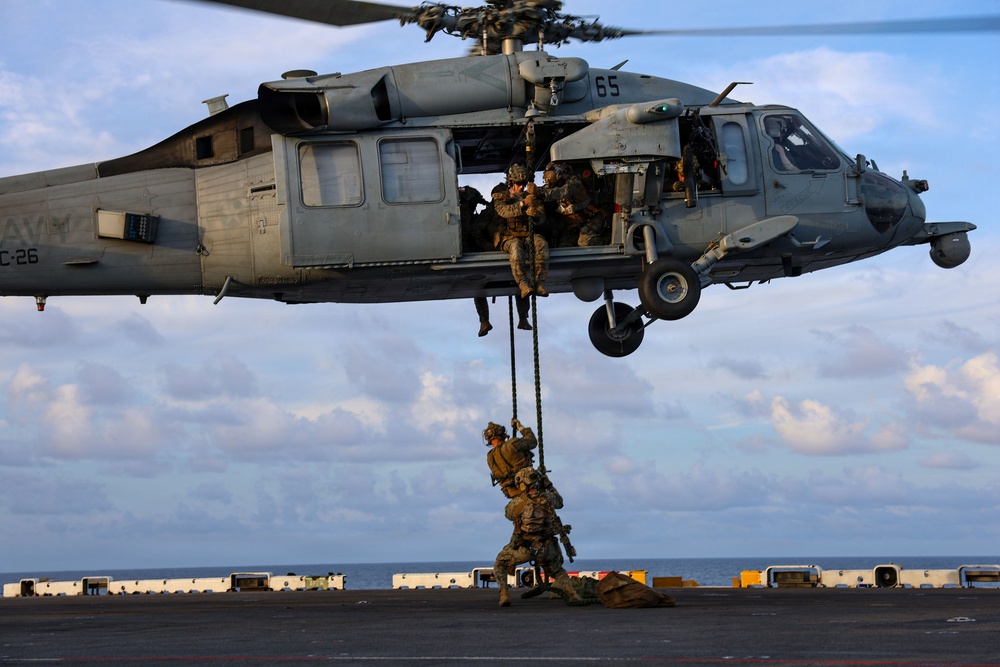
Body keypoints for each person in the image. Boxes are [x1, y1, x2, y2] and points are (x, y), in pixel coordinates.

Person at [494, 467, 583, 607]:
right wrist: (548, 484)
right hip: (548, 549)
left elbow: (508, 514)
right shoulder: (548, 497)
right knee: (558, 571)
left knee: (500, 563)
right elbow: (559, 502)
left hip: (525, 549)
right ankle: (572, 593)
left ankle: (504, 594)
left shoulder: (517, 503)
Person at [492, 164, 549, 299]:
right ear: (511, 182)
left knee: (541, 244)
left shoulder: (531, 196)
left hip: (527, 234)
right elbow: (503, 211)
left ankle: (539, 283)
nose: (521, 187)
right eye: (518, 184)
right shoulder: (502, 196)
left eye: (523, 184)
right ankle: (523, 284)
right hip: (509, 236)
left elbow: (542, 217)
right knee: (516, 248)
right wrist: (522, 204)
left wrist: (536, 214)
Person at [535, 162, 607, 247]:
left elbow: (562, 192)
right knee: (564, 247)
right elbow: (544, 191)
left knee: (584, 242)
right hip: (575, 225)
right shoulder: (554, 188)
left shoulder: (574, 183)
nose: (548, 182)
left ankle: (607, 238)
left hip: (592, 219)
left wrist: (541, 193)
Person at [484, 418, 537, 498]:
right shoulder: (511, 444)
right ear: (502, 433)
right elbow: (532, 441)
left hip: (513, 494)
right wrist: (520, 427)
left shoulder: (490, 458)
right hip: (530, 488)